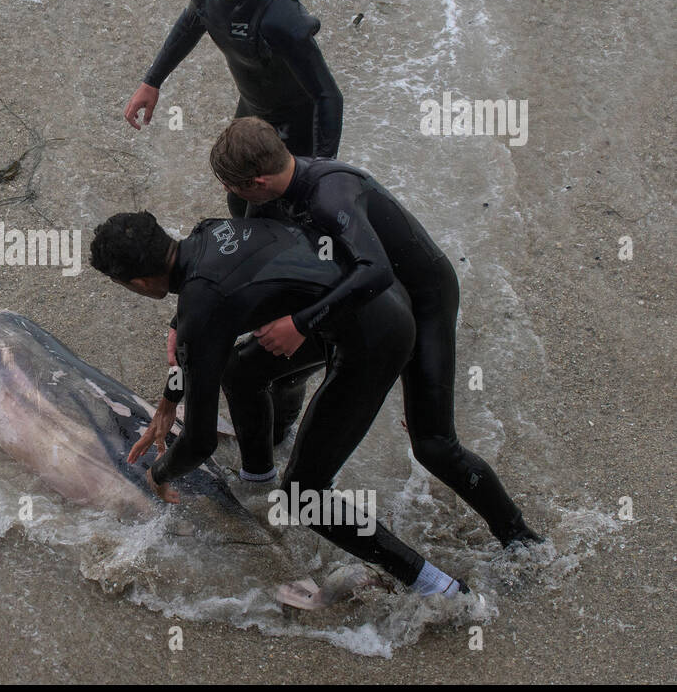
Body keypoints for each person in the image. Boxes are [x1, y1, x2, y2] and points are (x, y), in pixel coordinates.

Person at [90, 211, 469, 596]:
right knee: (239, 371)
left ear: (137, 283)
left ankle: (440, 589)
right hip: (379, 296)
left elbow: (199, 442)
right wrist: (168, 403)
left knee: (304, 496)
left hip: (377, 339)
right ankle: (258, 481)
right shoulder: (210, 231)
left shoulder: (200, 309)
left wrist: (159, 474)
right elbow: (194, 346)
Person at [209, 116, 542, 548]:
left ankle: (520, 538)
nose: (227, 195)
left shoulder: (331, 195)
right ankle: (266, 463)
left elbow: (377, 271)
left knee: (434, 445)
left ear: (256, 181)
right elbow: (249, 264)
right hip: (359, 306)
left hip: (422, 301)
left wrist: (300, 323)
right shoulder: (265, 199)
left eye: (231, 186)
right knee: (255, 368)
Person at [123, 0, 344, 211]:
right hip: (253, 110)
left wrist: (322, 170)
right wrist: (152, 82)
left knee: (277, 211)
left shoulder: (278, 16)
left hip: (297, 125)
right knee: (238, 199)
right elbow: (190, 25)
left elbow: (328, 95)